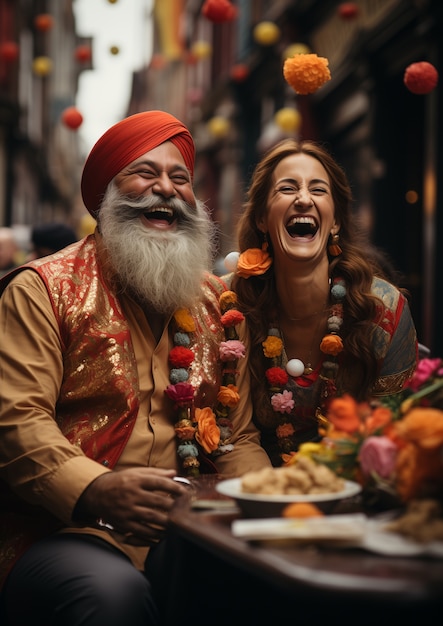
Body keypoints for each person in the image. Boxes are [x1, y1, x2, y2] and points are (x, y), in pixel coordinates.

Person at [0, 110, 271, 625]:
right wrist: (94, 489)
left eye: (180, 178)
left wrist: (268, 503)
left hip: (192, 528)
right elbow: (18, 423)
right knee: (112, 597)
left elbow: (239, 438)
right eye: (144, 173)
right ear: (107, 193)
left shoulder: (220, 304)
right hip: (61, 531)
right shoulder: (41, 289)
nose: (165, 189)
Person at [227, 139, 418, 467]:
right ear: (261, 219)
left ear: (336, 221)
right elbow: (233, 437)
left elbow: (400, 438)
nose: (303, 199)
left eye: (318, 190)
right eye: (287, 189)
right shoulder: (235, 309)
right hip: (259, 494)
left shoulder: (382, 310)